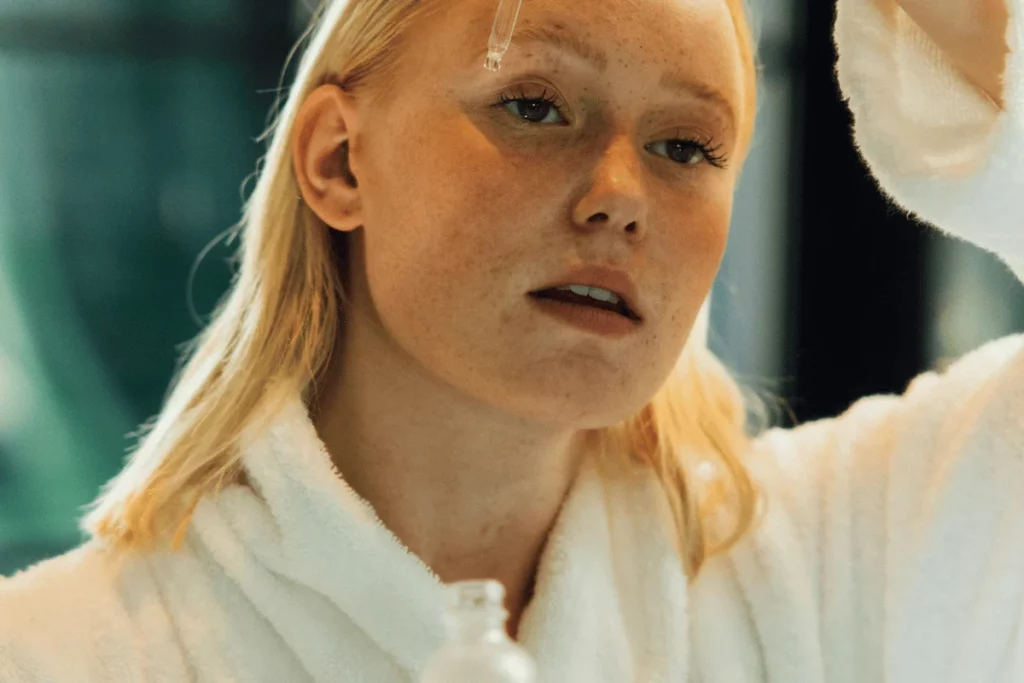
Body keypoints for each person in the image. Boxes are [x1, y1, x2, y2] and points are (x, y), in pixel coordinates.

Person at [0, 0, 1020, 680]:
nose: (621, 197)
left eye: (683, 146)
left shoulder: (830, 562)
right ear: (338, 161)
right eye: (534, 106)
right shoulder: (60, 653)